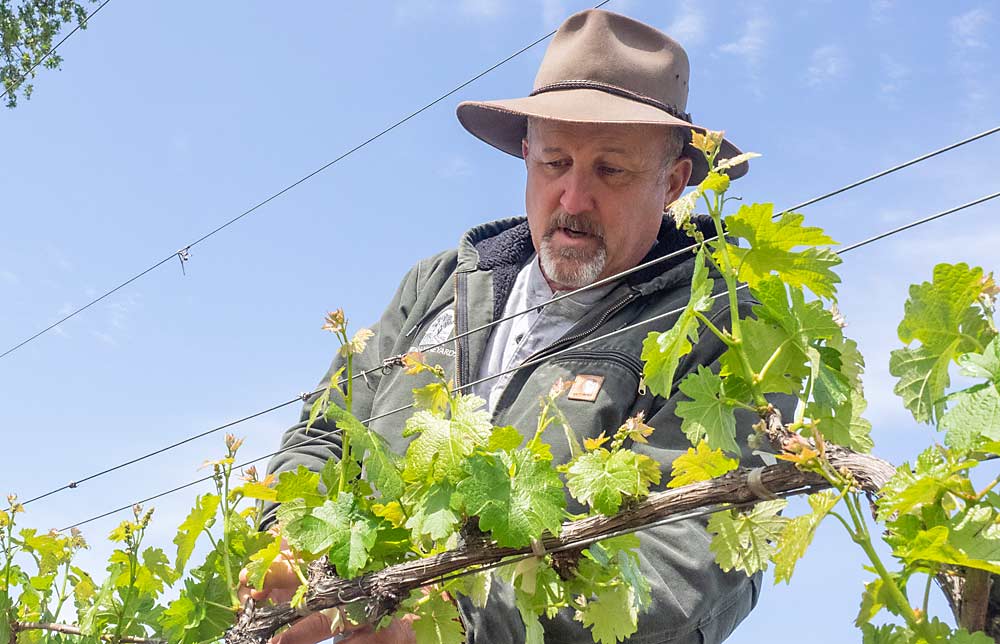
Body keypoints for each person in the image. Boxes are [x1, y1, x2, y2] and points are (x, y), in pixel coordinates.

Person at [244, 8, 790, 644]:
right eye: (554, 163)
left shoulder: (727, 327)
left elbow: (696, 558)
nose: (573, 199)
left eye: (610, 170)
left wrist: (455, 626)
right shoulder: (438, 285)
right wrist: (284, 538)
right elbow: (323, 434)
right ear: (526, 157)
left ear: (672, 184)